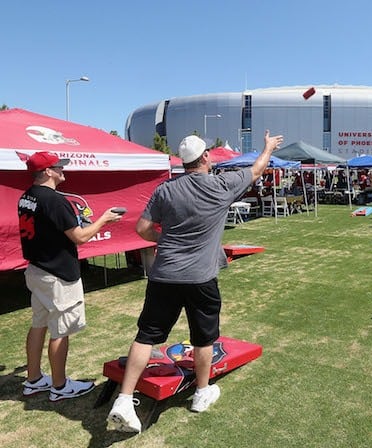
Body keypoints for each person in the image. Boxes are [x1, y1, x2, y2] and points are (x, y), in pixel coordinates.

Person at [107, 131, 284, 433]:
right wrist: (267, 147)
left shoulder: (166, 190)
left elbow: (142, 228)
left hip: (164, 276)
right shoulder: (221, 185)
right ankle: (201, 393)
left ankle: (124, 399)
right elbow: (256, 171)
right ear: (204, 158)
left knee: (146, 336)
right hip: (201, 278)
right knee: (203, 337)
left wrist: (163, 238)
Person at [17, 151, 122, 401]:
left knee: (39, 324)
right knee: (60, 330)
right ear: (46, 172)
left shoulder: (26, 196)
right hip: (57, 275)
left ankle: (33, 380)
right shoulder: (53, 200)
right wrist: (104, 220)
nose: (63, 170)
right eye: (58, 167)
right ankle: (60, 386)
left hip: (37, 271)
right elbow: (80, 237)